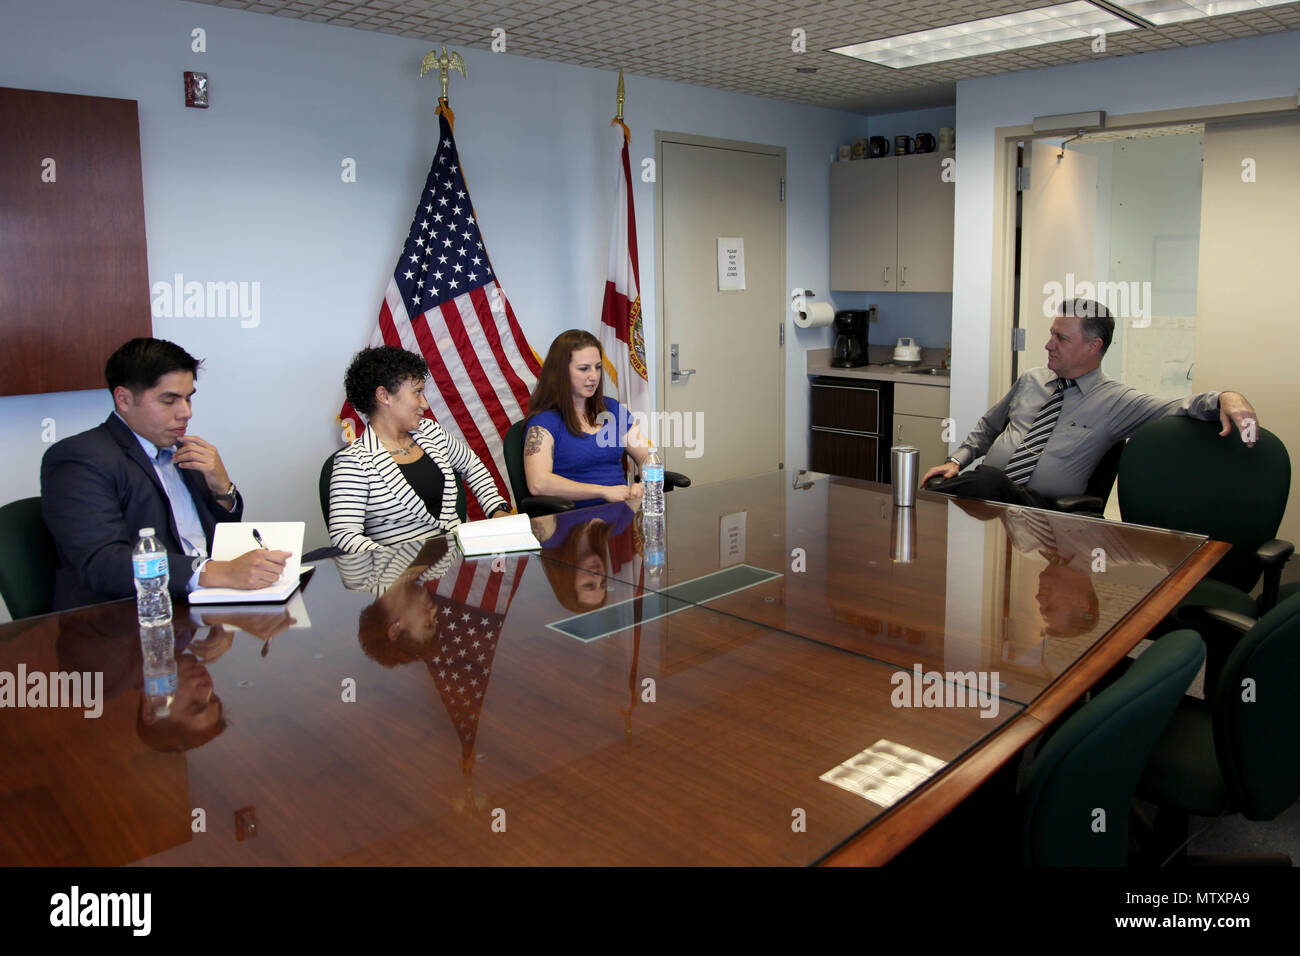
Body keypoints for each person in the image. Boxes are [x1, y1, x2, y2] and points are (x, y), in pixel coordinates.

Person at [920, 299, 1259, 508]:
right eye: (1051, 334)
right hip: (988, 497)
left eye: (1061, 338)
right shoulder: (1031, 380)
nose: (1048, 344)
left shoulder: (1116, 401)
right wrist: (956, 460)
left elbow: (1178, 407)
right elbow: (989, 426)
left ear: (1093, 346)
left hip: (1043, 511)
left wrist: (1227, 397)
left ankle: (935, 498)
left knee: (980, 483)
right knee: (961, 486)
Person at [41, 338, 289, 611]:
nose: (186, 413)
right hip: (125, 618)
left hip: (205, 607)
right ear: (124, 399)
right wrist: (216, 572)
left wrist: (222, 488)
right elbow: (104, 562)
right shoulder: (80, 458)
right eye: (169, 400)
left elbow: (218, 540)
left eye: (188, 398)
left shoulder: (184, 451)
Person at [329, 346, 511, 553]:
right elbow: (345, 536)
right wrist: (395, 562)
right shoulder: (353, 463)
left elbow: (472, 466)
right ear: (384, 395)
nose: (425, 404)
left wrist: (497, 509)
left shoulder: (431, 432)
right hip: (401, 570)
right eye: (417, 392)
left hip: (459, 560)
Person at [523, 329, 654, 508]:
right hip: (574, 519)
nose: (594, 376)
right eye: (584, 368)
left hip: (620, 513)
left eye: (598, 367)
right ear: (561, 372)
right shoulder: (543, 422)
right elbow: (538, 483)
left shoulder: (612, 409)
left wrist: (644, 483)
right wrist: (603, 491)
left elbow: (646, 455)